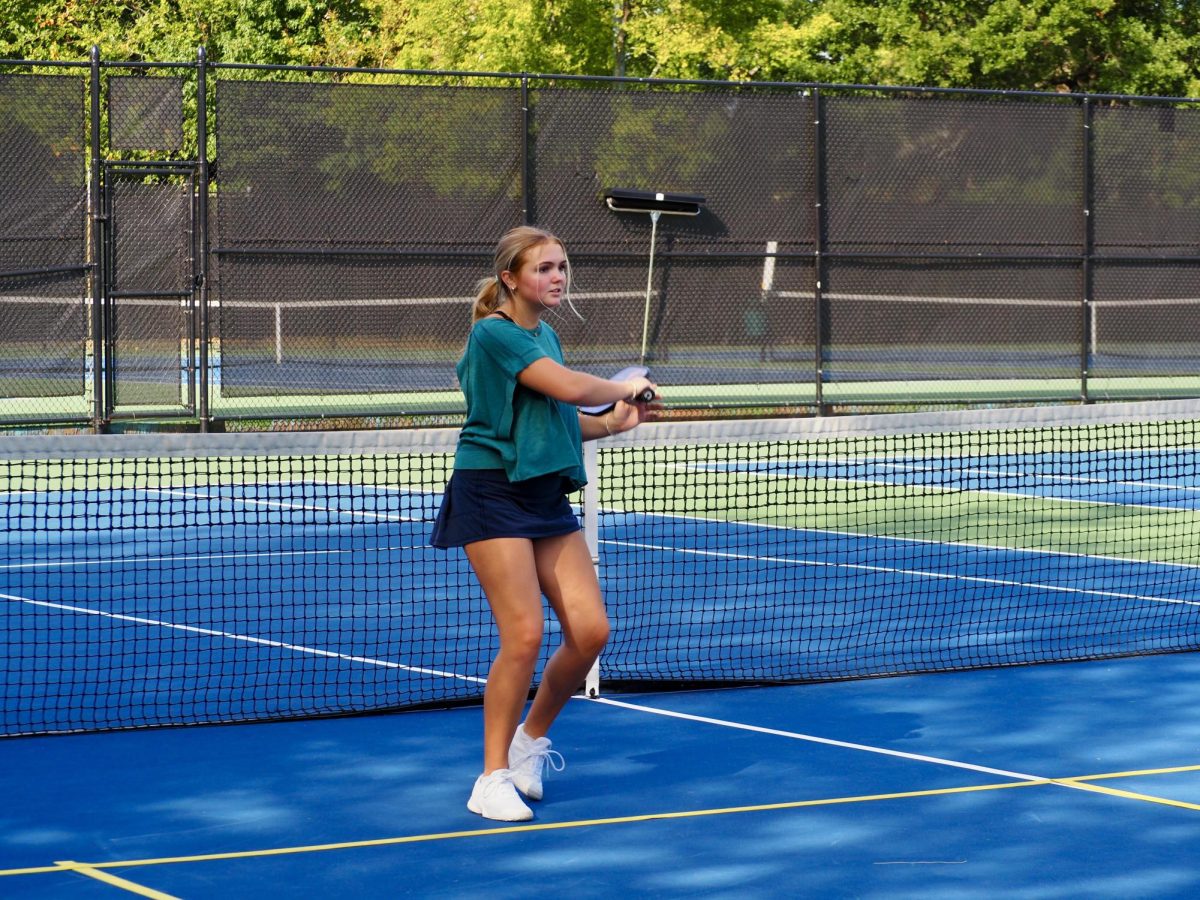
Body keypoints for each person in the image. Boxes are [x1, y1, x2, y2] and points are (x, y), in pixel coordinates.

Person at [430, 225, 659, 822]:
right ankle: (490, 778)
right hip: (491, 492)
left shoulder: (547, 334)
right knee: (524, 635)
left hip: (543, 495)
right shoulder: (494, 335)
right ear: (511, 278)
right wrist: (620, 387)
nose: (557, 276)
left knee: (590, 632)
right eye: (543, 268)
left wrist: (613, 423)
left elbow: (557, 417)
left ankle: (529, 743)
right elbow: (569, 387)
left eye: (561, 265)